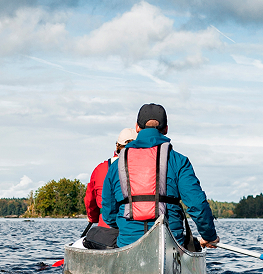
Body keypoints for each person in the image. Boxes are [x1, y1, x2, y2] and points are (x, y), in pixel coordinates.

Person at [101, 103, 219, 250]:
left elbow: (108, 213)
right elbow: (198, 205)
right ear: (166, 129)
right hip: (170, 245)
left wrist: (127, 227)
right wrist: (209, 236)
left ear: (137, 128)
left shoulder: (116, 166)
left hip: (128, 243)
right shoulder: (179, 161)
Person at [80, 128, 131, 249]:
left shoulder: (100, 169)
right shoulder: (142, 167)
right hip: (132, 228)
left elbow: (90, 201)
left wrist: (92, 218)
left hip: (105, 229)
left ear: (117, 145)